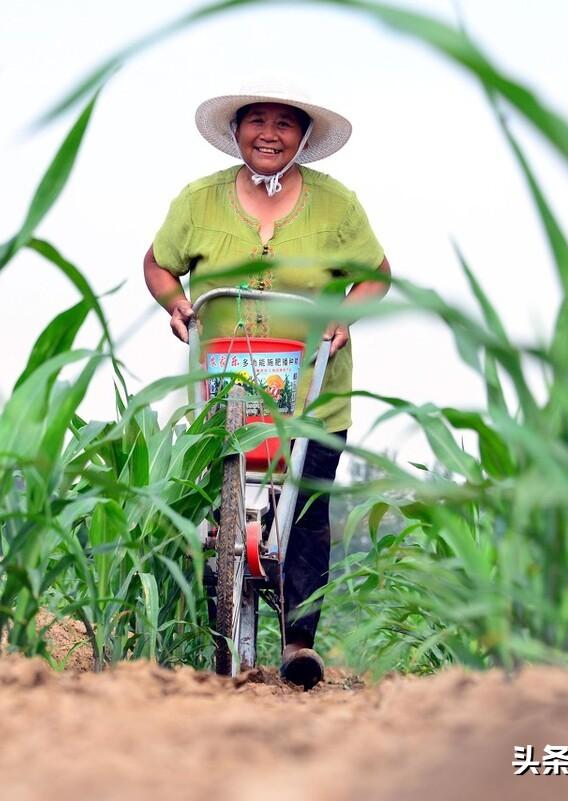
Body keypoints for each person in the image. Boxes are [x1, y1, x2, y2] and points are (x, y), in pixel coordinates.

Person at [142, 86, 391, 689]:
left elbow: (376, 277)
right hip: (224, 391)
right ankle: (218, 638)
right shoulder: (199, 201)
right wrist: (176, 304)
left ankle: (299, 644)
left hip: (312, 390)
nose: (269, 134)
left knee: (305, 511)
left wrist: (343, 318)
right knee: (213, 510)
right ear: (237, 131)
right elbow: (157, 263)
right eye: (257, 121)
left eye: (285, 123)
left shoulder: (338, 206)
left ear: (304, 137)